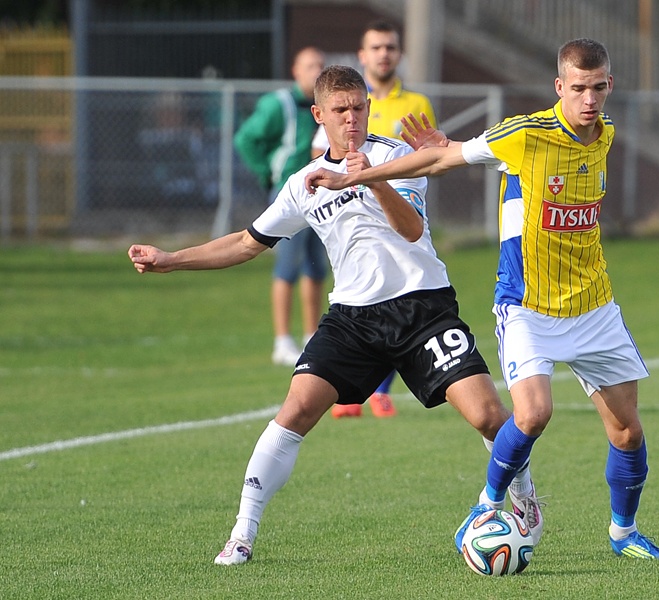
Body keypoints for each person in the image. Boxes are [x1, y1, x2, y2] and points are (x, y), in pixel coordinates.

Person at [127, 65, 541, 566]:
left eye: (359, 107)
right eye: (340, 110)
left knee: (490, 417)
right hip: (353, 320)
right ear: (319, 115)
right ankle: (242, 533)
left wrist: (366, 179)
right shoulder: (305, 183)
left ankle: (523, 501)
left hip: (423, 309)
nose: (352, 119)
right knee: (296, 409)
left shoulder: (397, 156)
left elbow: (411, 230)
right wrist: (171, 259)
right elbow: (244, 242)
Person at [306, 39, 659, 559]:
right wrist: (356, 175)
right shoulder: (526, 132)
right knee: (533, 414)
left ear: (608, 86)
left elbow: (449, 149)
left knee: (628, 431)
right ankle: (489, 501)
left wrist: (440, 145)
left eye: (598, 87)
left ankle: (623, 533)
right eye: (579, 88)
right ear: (559, 87)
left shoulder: (604, 134)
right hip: (526, 302)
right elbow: (440, 162)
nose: (589, 99)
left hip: (593, 303)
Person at [320, 19, 438, 419]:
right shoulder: (343, 99)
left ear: (398, 54)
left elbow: (429, 155)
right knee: (361, 289)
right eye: (376, 47)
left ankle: (379, 389)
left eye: (390, 47)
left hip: (397, 204)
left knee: (399, 286)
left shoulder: (416, 103)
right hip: (351, 215)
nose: (383, 54)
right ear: (362, 55)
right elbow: (324, 156)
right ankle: (361, 386)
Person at [234, 46, 329, 367]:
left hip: (323, 190)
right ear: (295, 71)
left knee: (316, 265)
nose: (316, 70)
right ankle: (282, 340)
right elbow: (245, 139)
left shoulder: (325, 104)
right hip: (290, 193)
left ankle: (312, 335)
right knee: (287, 265)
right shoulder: (279, 104)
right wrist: (267, 173)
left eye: (320, 64)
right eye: (309, 65)